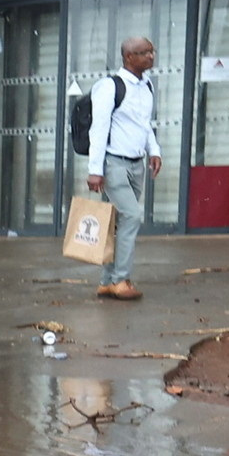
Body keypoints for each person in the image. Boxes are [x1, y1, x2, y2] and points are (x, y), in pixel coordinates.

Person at [84, 36, 161, 301]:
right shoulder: (109, 87)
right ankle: (121, 280)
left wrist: (154, 151)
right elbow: (99, 128)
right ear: (128, 57)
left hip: (136, 164)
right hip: (113, 164)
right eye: (144, 53)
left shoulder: (146, 85)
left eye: (152, 51)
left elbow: (144, 124)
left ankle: (106, 281)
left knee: (114, 223)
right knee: (130, 216)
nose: (150, 56)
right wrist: (95, 169)